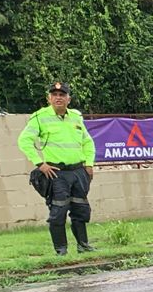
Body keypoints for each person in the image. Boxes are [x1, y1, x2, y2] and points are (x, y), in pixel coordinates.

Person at [18, 80, 97, 255]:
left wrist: (89, 164)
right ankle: (61, 250)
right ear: (49, 98)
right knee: (58, 211)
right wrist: (40, 164)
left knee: (80, 209)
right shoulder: (40, 117)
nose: (58, 98)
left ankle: (83, 245)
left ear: (68, 99)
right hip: (56, 173)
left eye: (62, 95)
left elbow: (88, 142)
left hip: (78, 171)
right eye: (54, 95)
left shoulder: (76, 117)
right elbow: (24, 141)